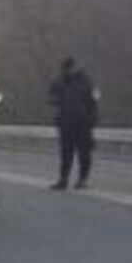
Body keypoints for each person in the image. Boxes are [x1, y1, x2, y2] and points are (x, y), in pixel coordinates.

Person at [47, 56, 99, 189]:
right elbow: (51, 100)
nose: (68, 71)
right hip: (66, 124)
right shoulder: (58, 82)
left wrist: (92, 121)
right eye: (66, 69)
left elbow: (94, 102)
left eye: (69, 68)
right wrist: (57, 113)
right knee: (66, 153)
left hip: (84, 124)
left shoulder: (87, 82)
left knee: (84, 154)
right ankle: (63, 179)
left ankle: (83, 180)